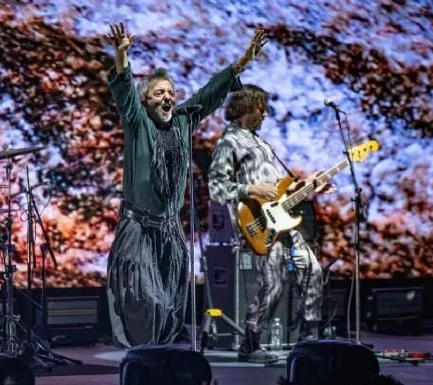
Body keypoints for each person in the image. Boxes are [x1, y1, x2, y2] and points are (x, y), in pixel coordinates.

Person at [104, 21, 268, 348]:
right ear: (146, 100)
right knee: (144, 297)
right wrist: (122, 56)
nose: (168, 97)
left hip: (169, 232)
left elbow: (209, 93)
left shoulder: (182, 119)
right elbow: (124, 91)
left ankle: (157, 360)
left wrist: (243, 62)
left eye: (171, 93)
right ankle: (142, 359)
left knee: (169, 304)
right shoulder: (137, 122)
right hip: (139, 231)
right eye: (159, 92)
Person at [208, 85, 330, 362]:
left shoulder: (262, 143)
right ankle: (249, 345)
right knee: (272, 284)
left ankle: (309, 340)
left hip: (282, 222)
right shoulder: (229, 142)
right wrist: (251, 190)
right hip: (257, 226)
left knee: (312, 270)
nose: (265, 113)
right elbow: (216, 187)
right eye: (259, 107)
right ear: (243, 109)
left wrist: (309, 187)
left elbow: (278, 189)